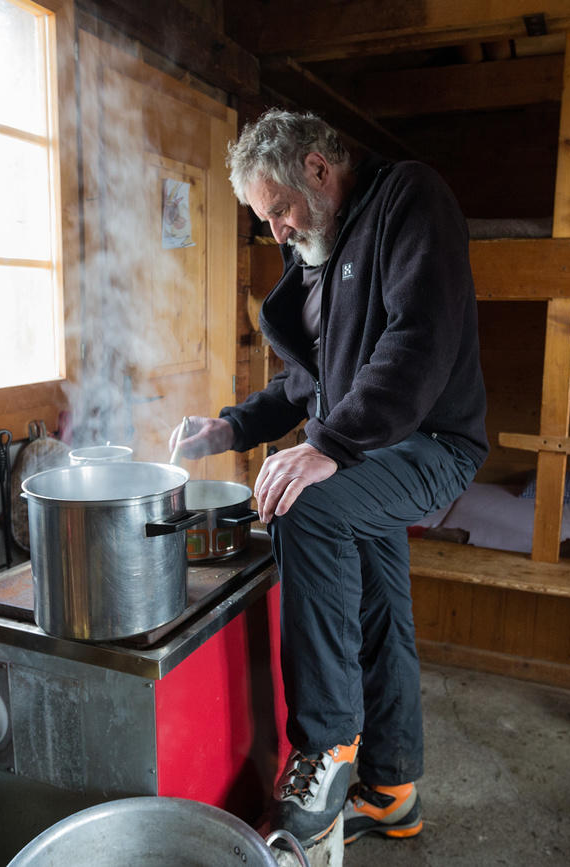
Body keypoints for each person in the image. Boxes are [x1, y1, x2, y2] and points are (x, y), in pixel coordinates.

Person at [170, 108, 488, 849]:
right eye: (265, 218)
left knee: (303, 505)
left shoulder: (410, 199)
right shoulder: (315, 251)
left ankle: (328, 744)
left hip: (431, 441)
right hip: (370, 451)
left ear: (318, 167)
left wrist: (329, 446)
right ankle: (392, 788)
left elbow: (421, 340)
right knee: (380, 606)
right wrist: (232, 427)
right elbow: (303, 382)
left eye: (277, 208)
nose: (276, 230)